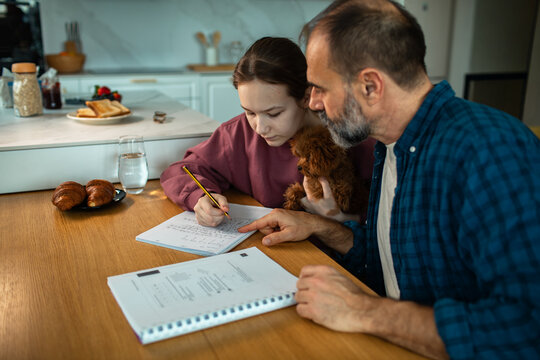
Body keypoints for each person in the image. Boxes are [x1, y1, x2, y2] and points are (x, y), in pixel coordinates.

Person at [238, 1, 540, 359]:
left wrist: (363, 310)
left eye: (320, 88)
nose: (314, 103)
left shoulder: (491, 150)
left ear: (370, 86)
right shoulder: (390, 144)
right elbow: (389, 264)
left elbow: (526, 328)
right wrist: (317, 225)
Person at [160, 37, 375, 227]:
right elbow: (181, 170)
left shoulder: (351, 137)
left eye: (273, 113)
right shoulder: (238, 133)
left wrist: (341, 219)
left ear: (306, 97)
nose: (260, 128)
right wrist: (201, 198)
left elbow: (384, 223)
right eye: (250, 112)